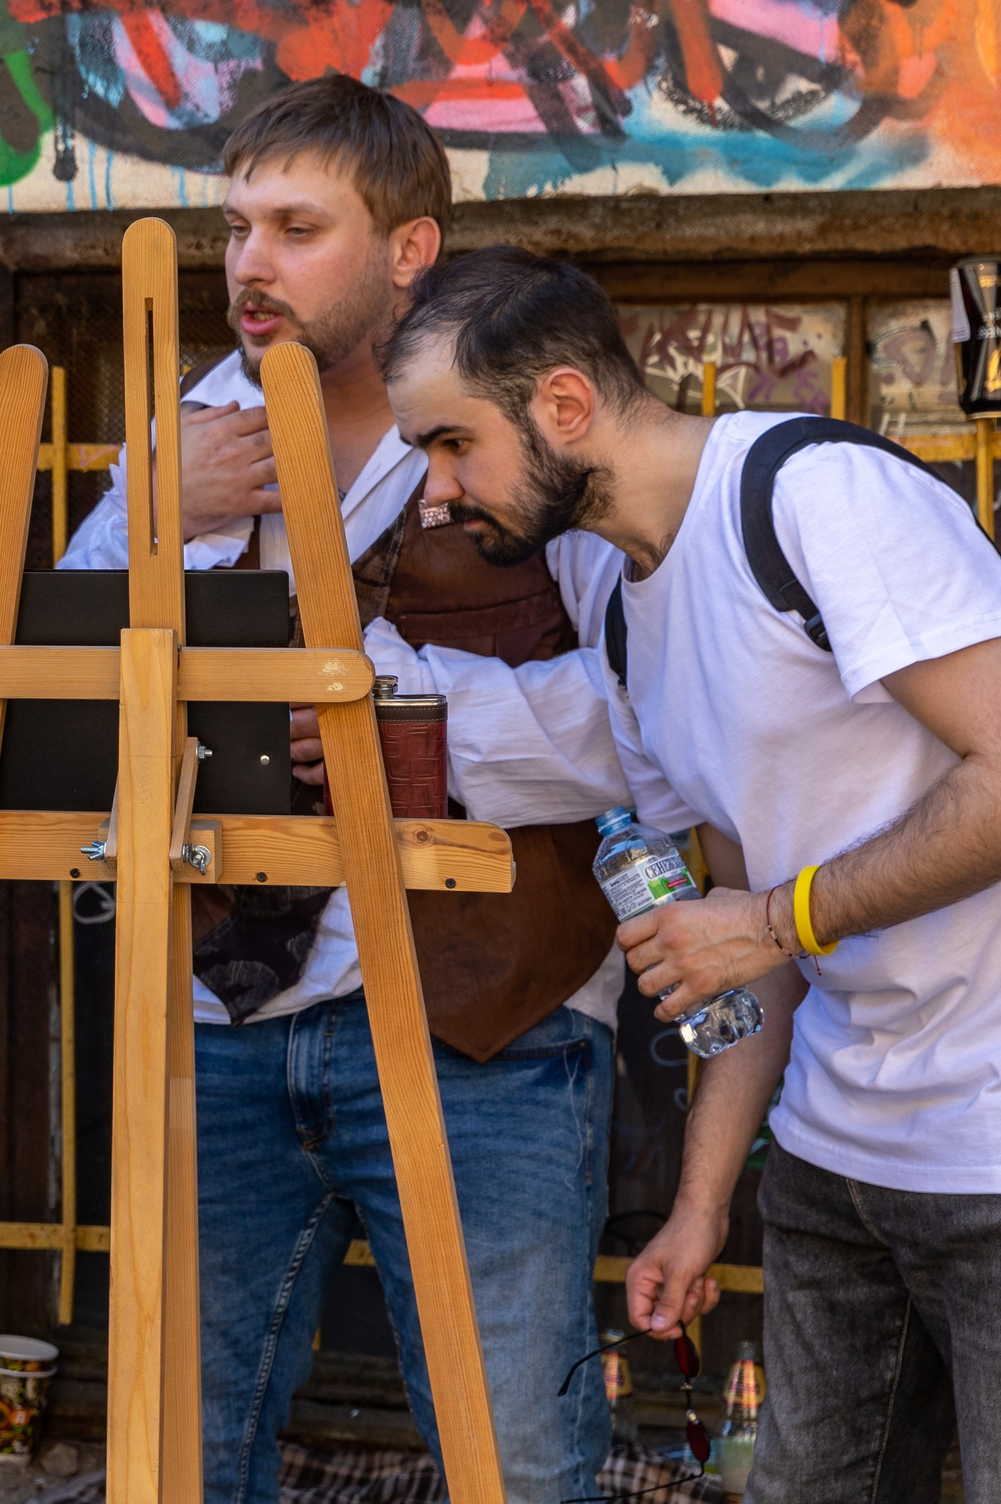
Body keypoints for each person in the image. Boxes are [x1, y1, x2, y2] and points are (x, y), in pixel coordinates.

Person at [383, 244, 1001, 1504]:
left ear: (564, 406)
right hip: (836, 1139)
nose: (434, 492)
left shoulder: (812, 496)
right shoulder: (621, 602)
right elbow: (746, 930)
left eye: (451, 445)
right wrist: (697, 1211)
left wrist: (773, 921)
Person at [59, 77, 630, 1504]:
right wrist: (153, 519)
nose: (248, 263)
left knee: (515, 1470)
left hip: (477, 1026)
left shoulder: (517, 424)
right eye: (235, 224)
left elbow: (654, 721)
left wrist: (410, 724)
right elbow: (50, 708)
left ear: (408, 248)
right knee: (177, 1459)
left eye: (297, 227)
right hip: (214, 1025)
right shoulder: (180, 437)